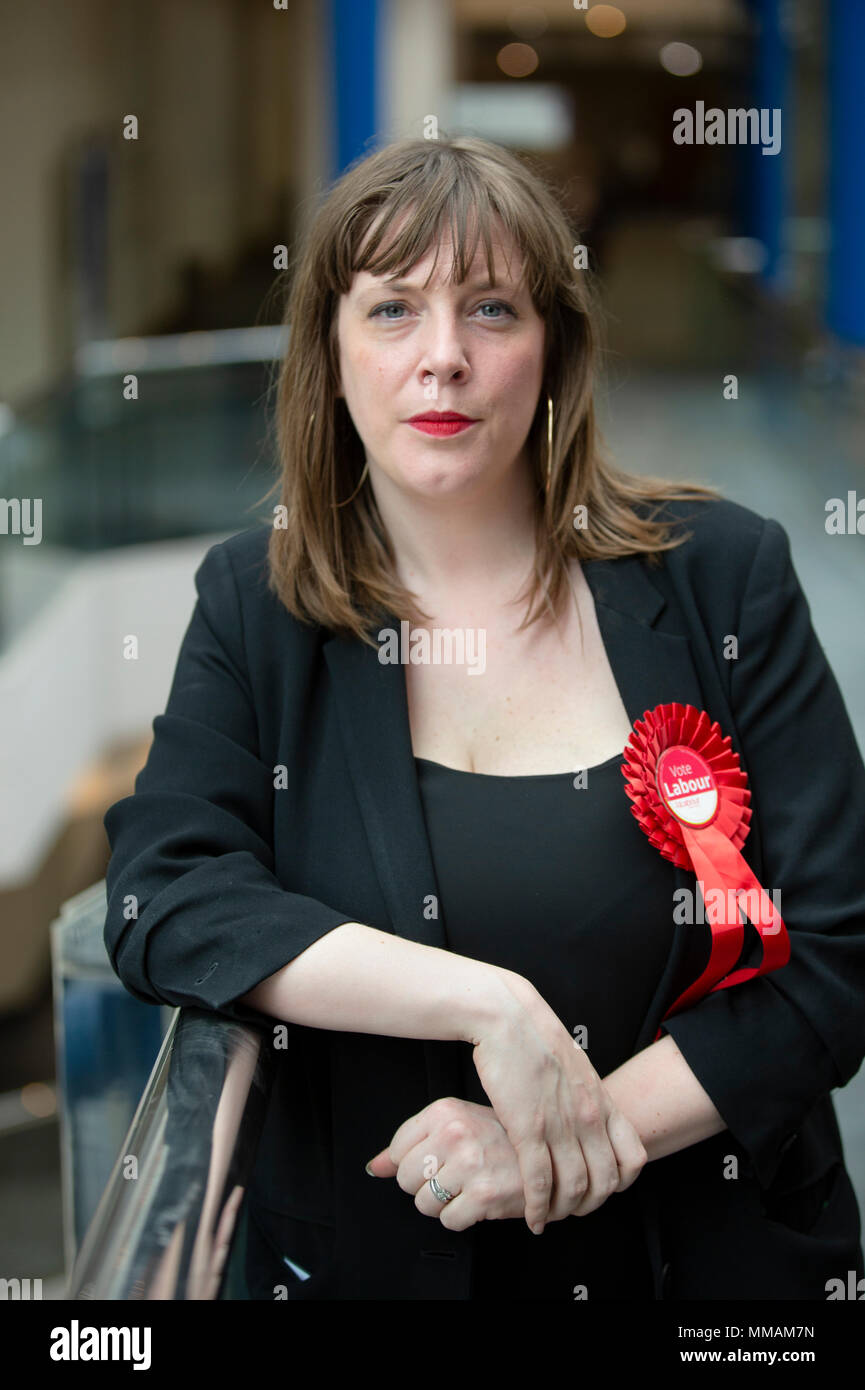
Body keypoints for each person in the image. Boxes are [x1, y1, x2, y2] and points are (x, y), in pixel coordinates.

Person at [103, 134, 865, 1301]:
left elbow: (834, 952)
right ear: (332, 353)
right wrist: (488, 1001)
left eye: (493, 310)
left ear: (553, 347)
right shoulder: (255, 609)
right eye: (395, 310)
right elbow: (167, 894)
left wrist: (566, 1133)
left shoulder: (721, 576)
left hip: (714, 1274)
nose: (443, 359)